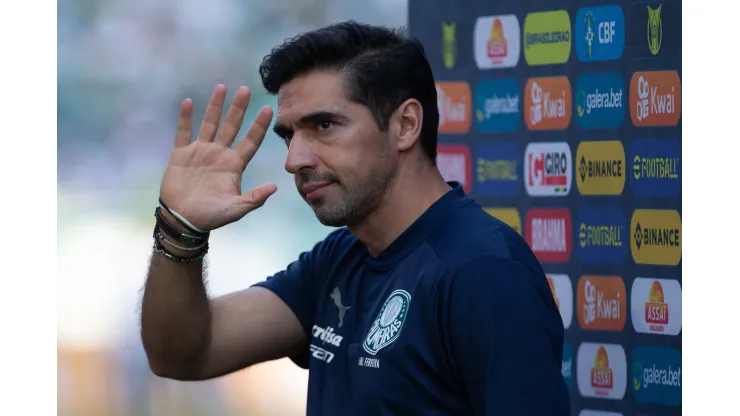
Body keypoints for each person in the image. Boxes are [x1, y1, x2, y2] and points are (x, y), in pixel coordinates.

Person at [140, 20, 571, 416]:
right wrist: (181, 229)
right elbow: (180, 354)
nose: (294, 160)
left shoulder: (483, 271)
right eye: (290, 135)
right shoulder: (341, 258)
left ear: (405, 125)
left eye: (324, 125)